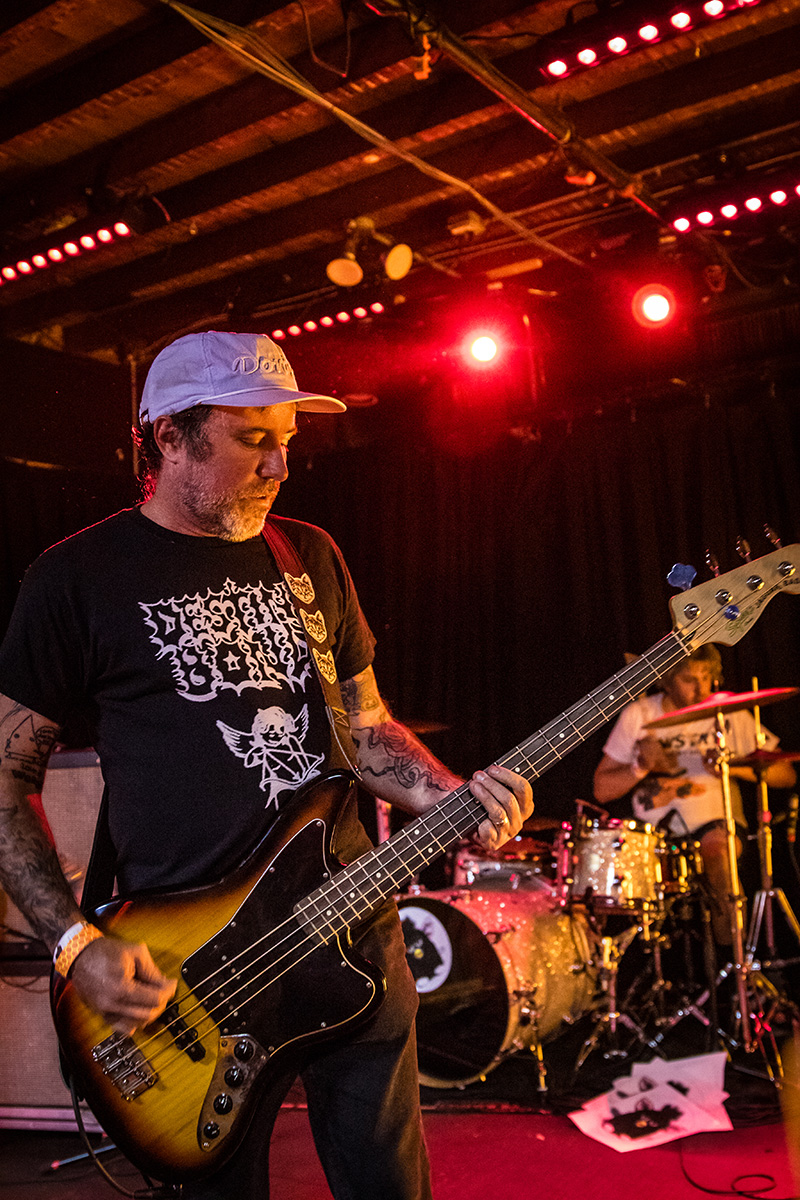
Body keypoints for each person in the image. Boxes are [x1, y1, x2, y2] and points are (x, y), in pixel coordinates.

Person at [0, 330, 533, 1200]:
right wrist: (72, 944)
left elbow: (365, 729)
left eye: (287, 439)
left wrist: (453, 797)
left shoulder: (309, 555)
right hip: (191, 971)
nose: (280, 465)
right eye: (253, 440)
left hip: (350, 925)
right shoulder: (75, 579)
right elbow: (4, 778)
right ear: (170, 437)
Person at [593, 644, 796, 944]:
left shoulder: (728, 714)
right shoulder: (640, 715)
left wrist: (731, 766)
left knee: (717, 852)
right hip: (652, 836)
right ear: (667, 680)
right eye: (689, 679)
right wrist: (640, 767)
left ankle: (733, 955)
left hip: (715, 828)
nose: (701, 688)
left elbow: (786, 774)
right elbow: (601, 790)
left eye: (707, 677)